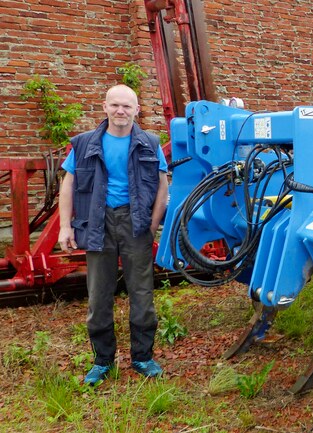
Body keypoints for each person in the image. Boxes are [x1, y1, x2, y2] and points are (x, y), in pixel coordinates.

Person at [58, 84, 169, 385]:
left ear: (137, 110)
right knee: (99, 295)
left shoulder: (149, 142)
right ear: (105, 107)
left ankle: (143, 357)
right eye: (115, 105)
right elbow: (68, 184)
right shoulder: (83, 144)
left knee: (142, 295)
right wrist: (65, 226)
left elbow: (162, 187)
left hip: (136, 224)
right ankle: (103, 361)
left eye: (127, 106)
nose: (121, 111)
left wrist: (151, 224)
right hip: (98, 224)